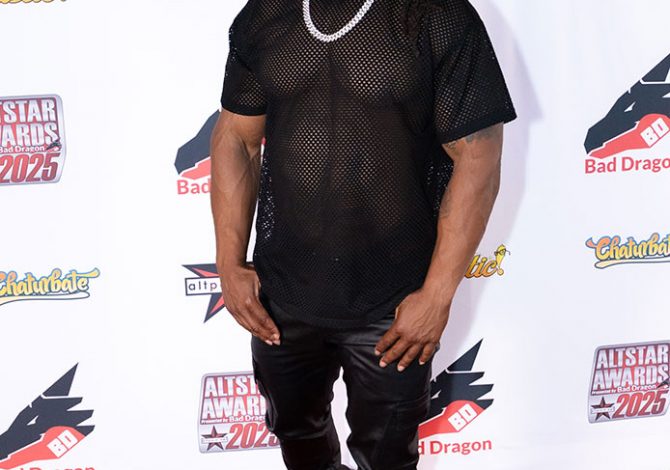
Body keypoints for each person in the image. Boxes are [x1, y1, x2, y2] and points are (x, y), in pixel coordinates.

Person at [209, 0, 516, 468]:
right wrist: (228, 264)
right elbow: (236, 137)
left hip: (393, 300)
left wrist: (436, 296)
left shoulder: (436, 13)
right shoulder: (266, 13)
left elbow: (479, 156)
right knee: (299, 442)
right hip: (284, 294)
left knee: (386, 457)